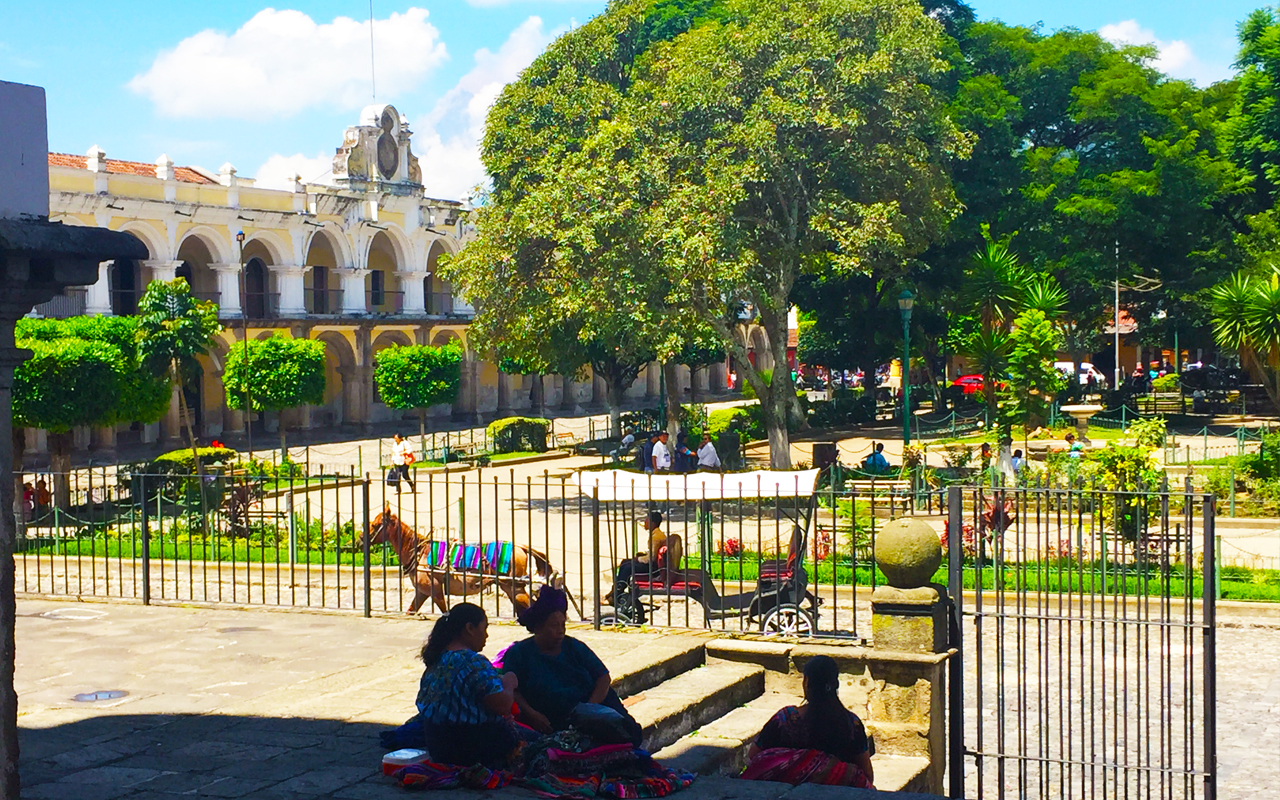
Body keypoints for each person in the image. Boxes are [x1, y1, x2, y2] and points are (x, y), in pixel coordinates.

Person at [503, 587, 643, 746]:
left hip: (588, 706)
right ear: (538, 627)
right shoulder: (519, 653)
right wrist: (532, 714)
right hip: (552, 716)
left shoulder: (574, 646)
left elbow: (603, 677)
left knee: (628, 732)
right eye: (554, 626)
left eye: (563, 625)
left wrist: (590, 708)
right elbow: (513, 690)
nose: (560, 631)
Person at [742, 655, 873, 787]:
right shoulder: (851, 724)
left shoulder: (784, 719)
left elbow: (754, 756)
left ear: (806, 682)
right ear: (836, 684)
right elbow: (867, 776)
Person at [416, 603, 521, 768]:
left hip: (437, 744)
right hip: (470, 747)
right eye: (484, 628)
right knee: (538, 742)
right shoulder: (472, 661)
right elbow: (502, 705)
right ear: (470, 628)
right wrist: (509, 683)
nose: (486, 636)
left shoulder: (438, 658)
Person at [610, 510, 668, 602]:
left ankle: (616, 593)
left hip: (653, 568)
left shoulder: (655, 537)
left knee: (627, 567)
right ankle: (616, 590)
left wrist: (638, 559)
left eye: (647, 520)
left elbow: (651, 558)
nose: (645, 522)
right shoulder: (657, 534)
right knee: (625, 562)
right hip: (655, 564)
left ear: (653, 523)